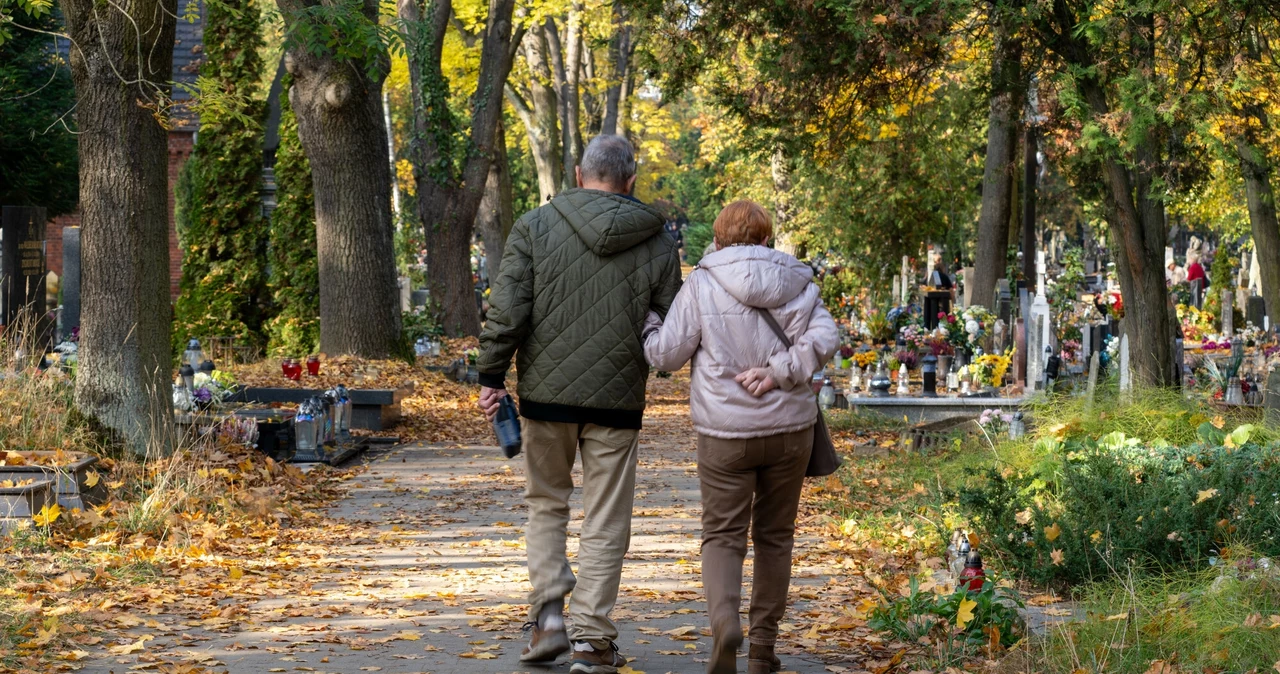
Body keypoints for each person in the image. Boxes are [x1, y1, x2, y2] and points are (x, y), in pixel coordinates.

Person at [477, 135, 682, 674]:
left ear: (577, 173)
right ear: (631, 180)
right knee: (606, 516)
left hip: (545, 395)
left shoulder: (533, 226)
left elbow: (508, 308)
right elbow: (667, 323)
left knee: (546, 503)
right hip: (618, 397)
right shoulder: (659, 242)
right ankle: (592, 642)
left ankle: (547, 621)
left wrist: (492, 374)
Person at [641, 200, 838, 674]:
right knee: (775, 537)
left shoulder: (702, 283)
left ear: (719, 238)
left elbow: (666, 355)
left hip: (725, 434)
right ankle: (764, 652)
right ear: (766, 238)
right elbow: (828, 336)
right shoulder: (797, 281)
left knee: (723, 536)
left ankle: (725, 623)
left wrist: (650, 327)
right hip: (791, 433)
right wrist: (780, 371)